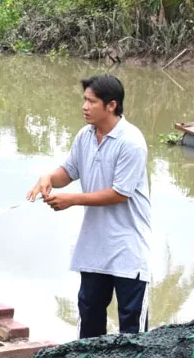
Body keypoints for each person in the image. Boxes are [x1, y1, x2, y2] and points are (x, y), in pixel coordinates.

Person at [27, 74, 152, 339]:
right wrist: (49, 177)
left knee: (133, 330)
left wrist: (72, 200)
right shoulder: (85, 136)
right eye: (84, 100)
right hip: (94, 246)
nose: (84, 106)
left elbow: (120, 193)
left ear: (111, 105)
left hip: (127, 248)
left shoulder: (131, 142)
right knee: (90, 317)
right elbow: (69, 172)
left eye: (91, 101)